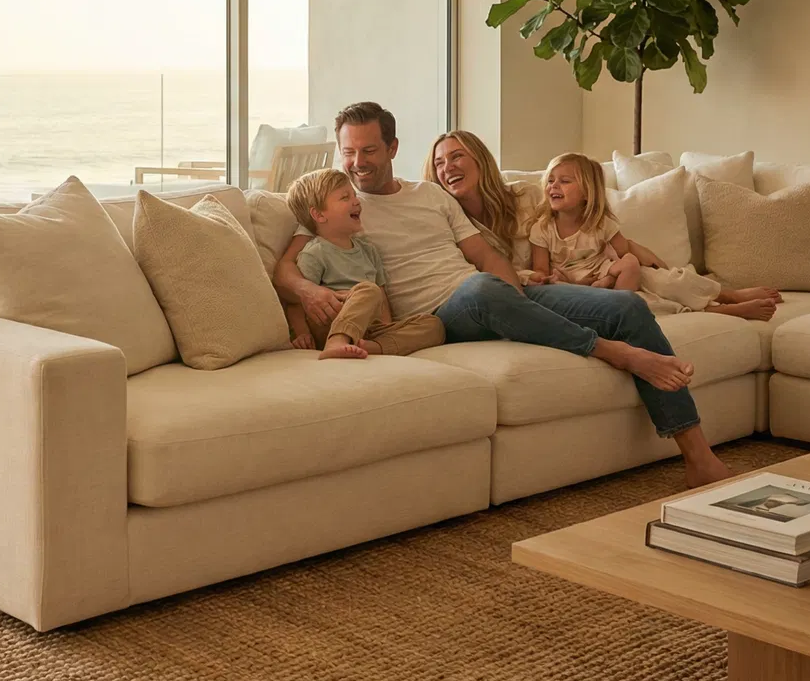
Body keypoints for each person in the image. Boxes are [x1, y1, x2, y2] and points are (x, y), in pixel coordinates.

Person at [274, 103, 731, 487]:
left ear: (392, 148)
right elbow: (286, 269)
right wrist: (308, 291)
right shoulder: (339, 205)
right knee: (480, 288)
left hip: (491, 293)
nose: (358, 162)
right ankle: (615, 352)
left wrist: (519, 301)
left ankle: (698, 458)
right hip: (442, 315)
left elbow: (485, 257)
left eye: (369, 150)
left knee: (626, 305)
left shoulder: (432, 196)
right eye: (349, 152)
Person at [527, 152, 781, 320]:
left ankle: (729, 296)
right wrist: (545, 278)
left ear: (587, 192)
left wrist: (655, 266)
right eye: (550, 181)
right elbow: (540, 270)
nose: (554, 186)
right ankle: (728, 311)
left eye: (564, 181)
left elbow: (627, 251)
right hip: (579, 288)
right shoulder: (543, 229)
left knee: (667, 282)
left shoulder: (599, 224)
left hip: (615, 277)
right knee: (652, 304)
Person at [282, 167, 446, 360]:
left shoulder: (369, 251)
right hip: (331, 322)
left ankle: (374, 346)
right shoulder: (315, 252)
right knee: (368, 290)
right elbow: (297, 301)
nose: (356, 201)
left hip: (369, 328)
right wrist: (302, 334)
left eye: (354, 195)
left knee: (433, 325)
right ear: (319, 215)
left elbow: (382, 300)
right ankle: (337, 341)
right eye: (345, 197)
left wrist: (387, 327)